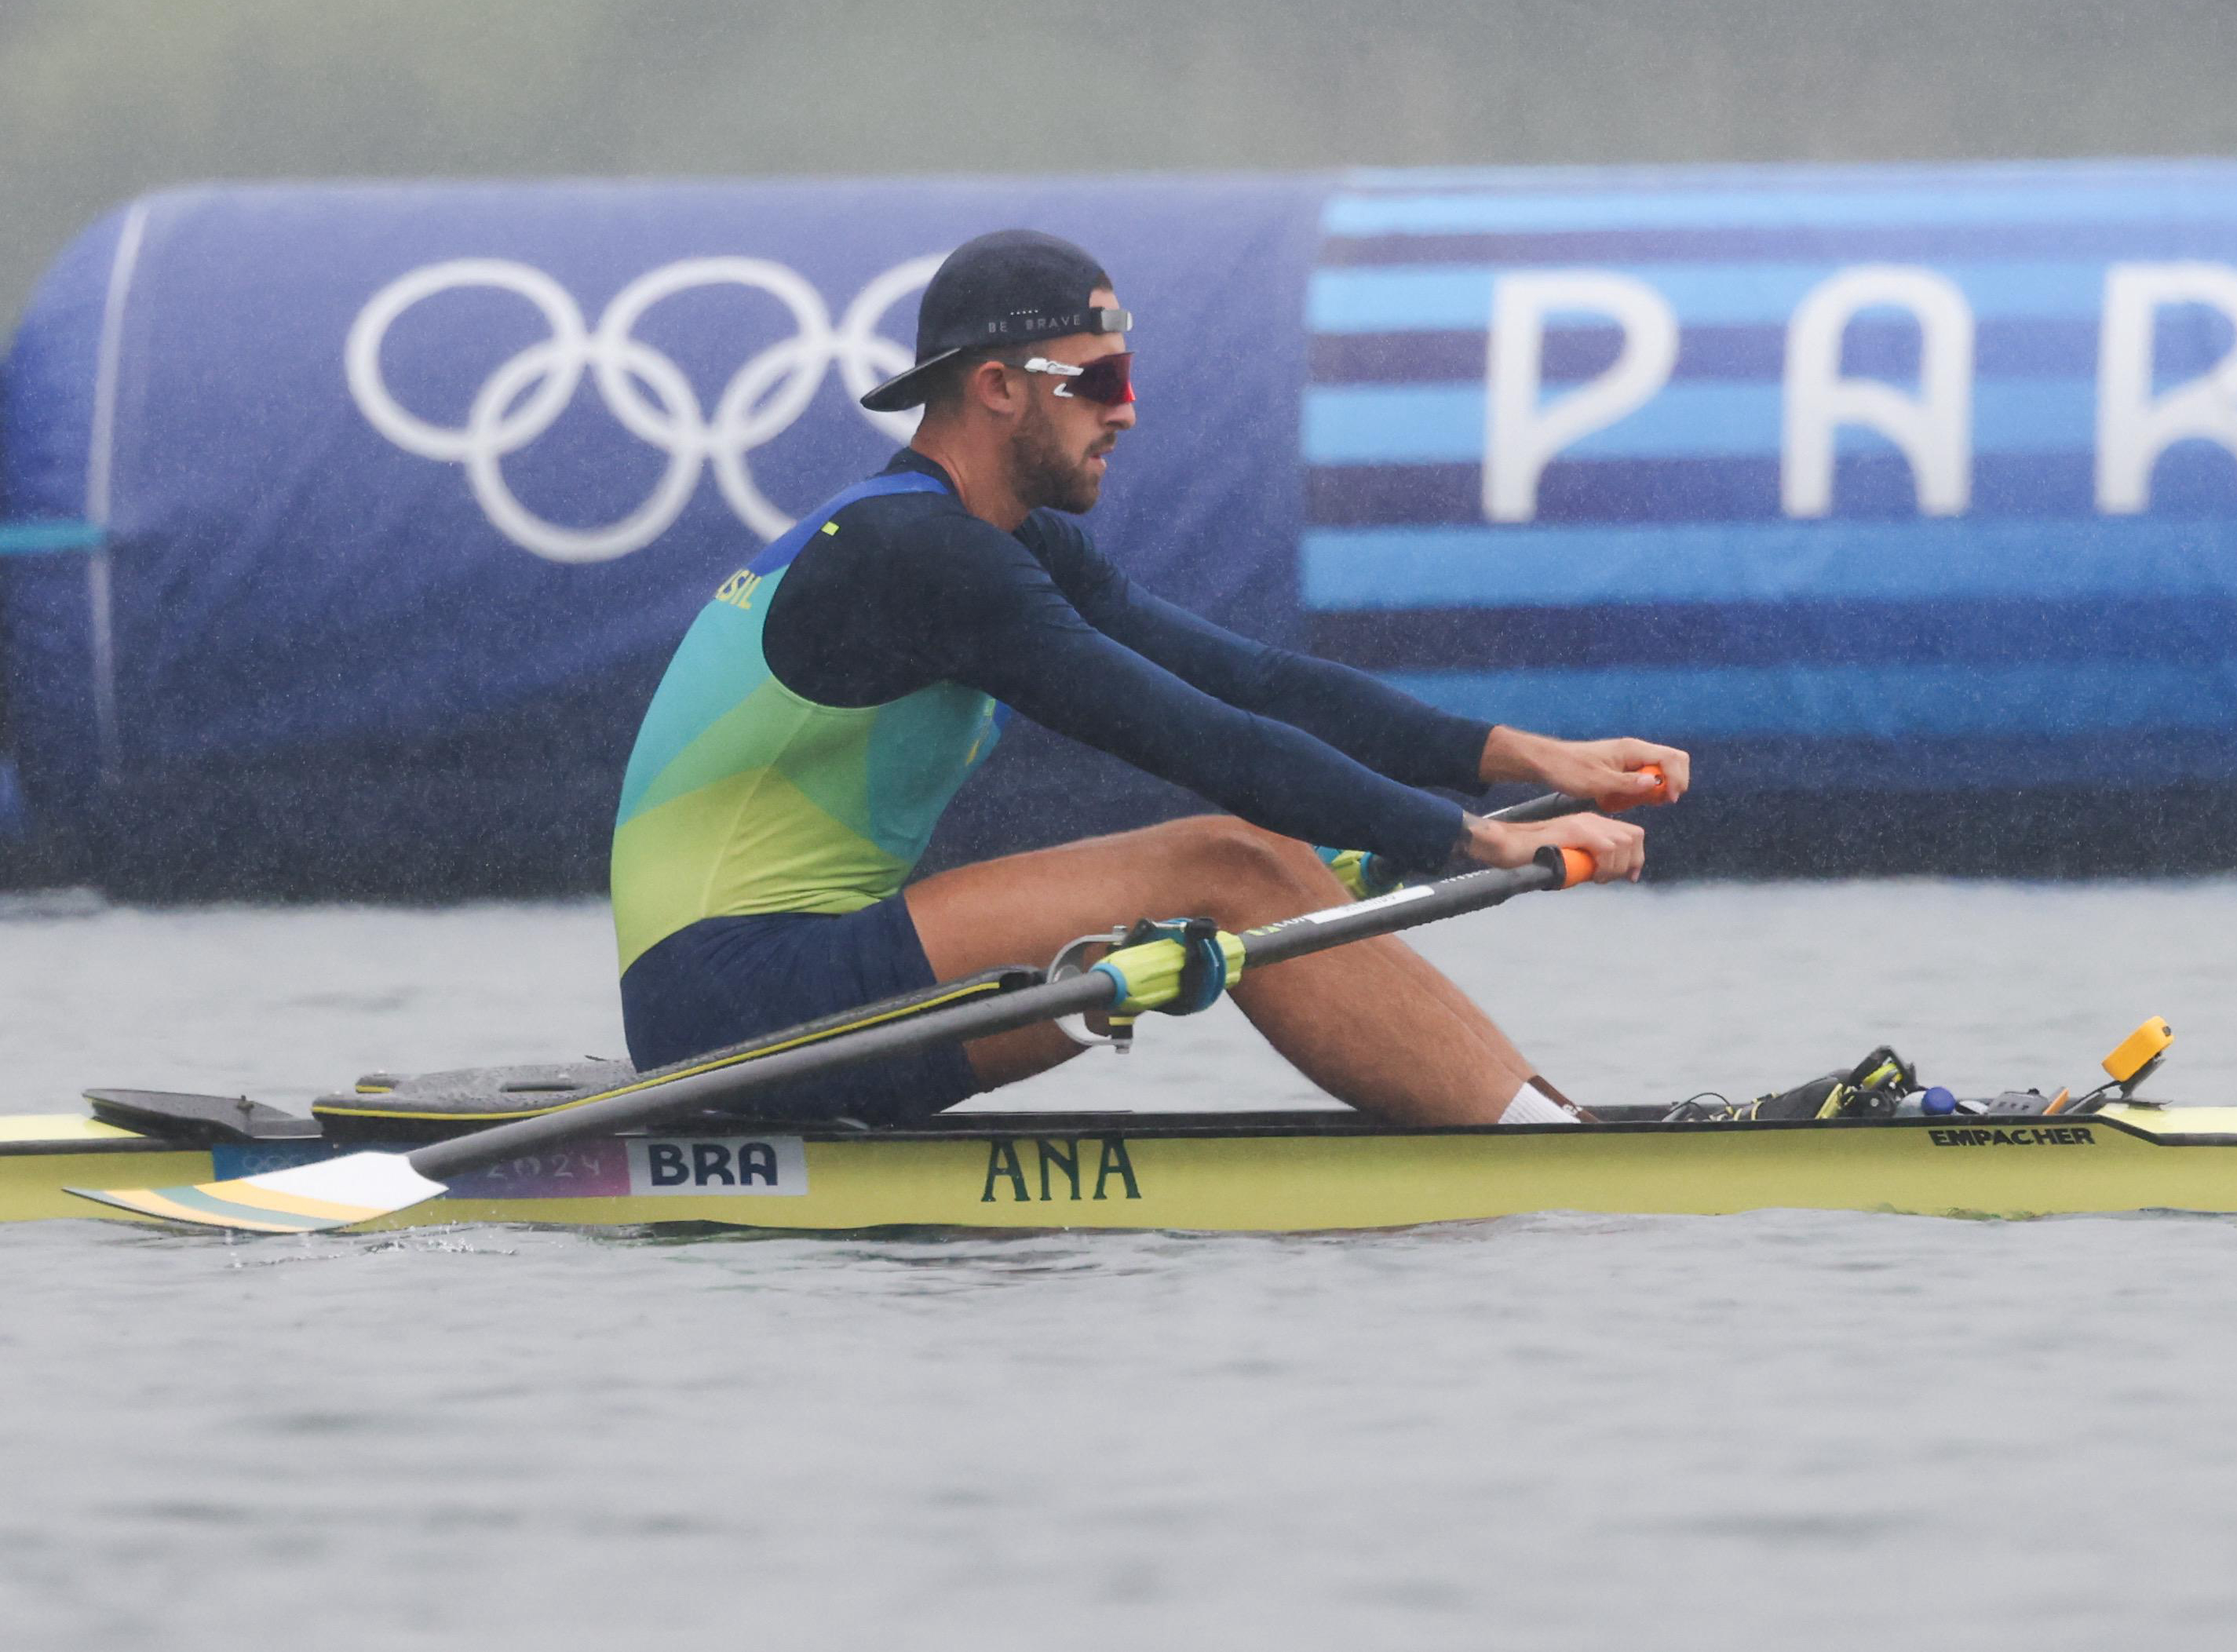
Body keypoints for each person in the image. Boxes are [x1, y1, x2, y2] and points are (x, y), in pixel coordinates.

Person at [609, 229, 1688, 1127]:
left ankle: (1549, 1128)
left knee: (1260, 855)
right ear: (996, 388)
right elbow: (1199, 739)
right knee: (1234, 861)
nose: (1126, 411)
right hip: (734, 1010)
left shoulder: (1001, 540)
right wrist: (1477, 838)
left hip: (805, 976)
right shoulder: (919, 558)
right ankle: (1548, 1154)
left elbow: (1252, 682)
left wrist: (1518, 755)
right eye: (1101, 382)